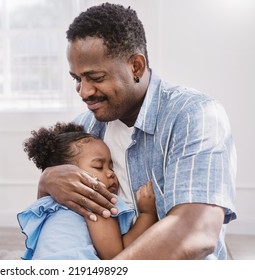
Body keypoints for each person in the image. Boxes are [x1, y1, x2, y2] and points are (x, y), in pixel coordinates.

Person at [37, 3, 237, 259]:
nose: (84, 92)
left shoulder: (195, 115)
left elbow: (197, 231)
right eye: (77, 79)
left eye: (95, 77)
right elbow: (57, 219)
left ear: (136, 67)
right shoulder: (86, 128)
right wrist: (46, 183)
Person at [17, 122, 157, 259]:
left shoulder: (48, 203)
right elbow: (115, 256)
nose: (110, 174)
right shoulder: (93, 201)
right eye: (98, 167)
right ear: (65, 175)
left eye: (111, 167)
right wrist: (147, 214)